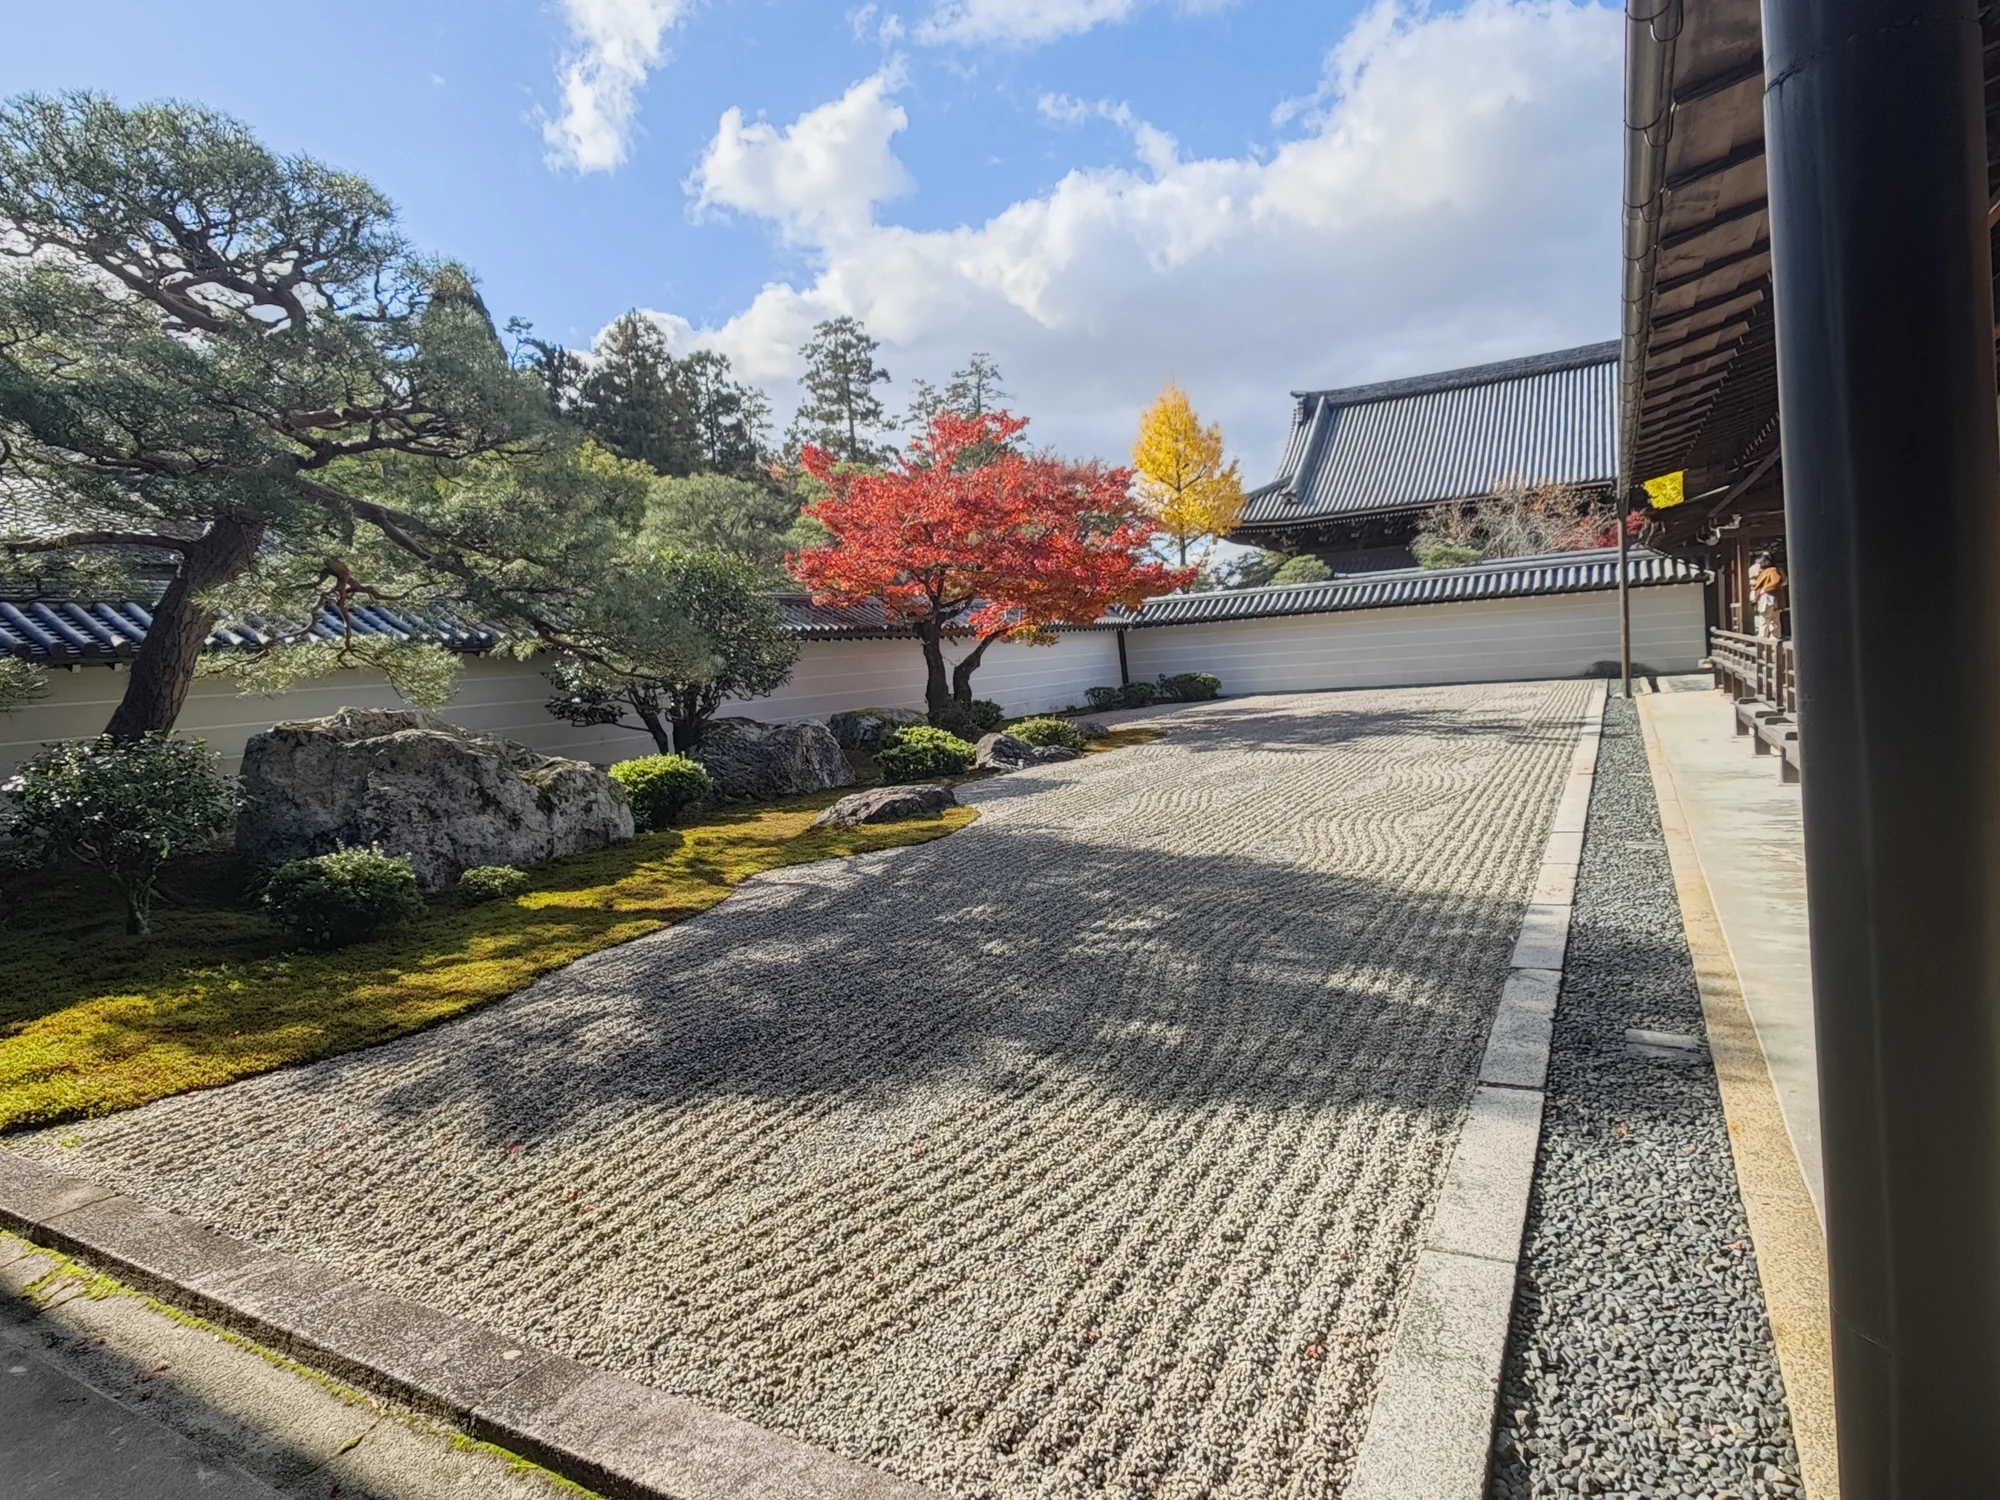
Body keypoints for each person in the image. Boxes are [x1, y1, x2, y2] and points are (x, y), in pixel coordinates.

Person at [1750, 551, 1784, 638]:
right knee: (1774, 620)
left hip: (1768, 598)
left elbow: (1776, 581)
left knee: (1765, 620)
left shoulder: (1771, 570)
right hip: (1773, 598)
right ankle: (1774, 639)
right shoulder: (1769, 571)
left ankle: (1763, 639)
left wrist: (1764, 589)